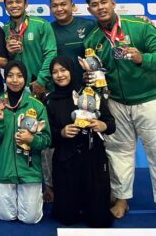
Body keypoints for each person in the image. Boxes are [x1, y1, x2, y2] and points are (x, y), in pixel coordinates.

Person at [83, 0, 156, 229]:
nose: (100, 7)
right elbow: (100, 71)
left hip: (149, 100)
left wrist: (142, 59)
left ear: (113, 3)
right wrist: (91, 77)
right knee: (118, 154)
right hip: (116, 102)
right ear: (89, 10)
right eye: (95, 4)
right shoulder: (92, 39)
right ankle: (122, 199)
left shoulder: (139, 26)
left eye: (104, 2)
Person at [47, 55, 114, 228]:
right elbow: (48, 137)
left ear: (72, 71)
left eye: (63, 70)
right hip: (66, 160)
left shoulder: (89, 94)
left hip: (92, 157)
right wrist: (61, 133)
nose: (59, 75)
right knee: (67, 217)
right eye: (55, 72)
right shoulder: (51, 101)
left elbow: (111, 124)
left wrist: (102, 125)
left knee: (99, 220)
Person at [0, 59, 50, 224]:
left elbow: (46, 140)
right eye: (10, 75)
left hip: (29, 171)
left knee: (30, 219)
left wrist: (32, 139)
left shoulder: (37, 106)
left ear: (26, 78)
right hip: (4, 170)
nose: (14, 80)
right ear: (5, 78)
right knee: (6, 216)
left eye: (19, 76)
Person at [2, 0, 57, 96]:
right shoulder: (5, 29)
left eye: (18, 2)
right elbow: (4, 60)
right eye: (10, 2)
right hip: (16, 87)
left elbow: (51, 54)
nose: (14, 5)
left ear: (26, 4)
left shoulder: (41, 24)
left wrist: (41, 80)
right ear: (5, 6)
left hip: (41, 87)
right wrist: (9, 53)